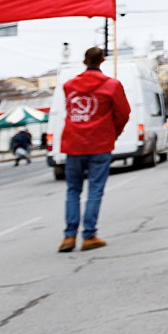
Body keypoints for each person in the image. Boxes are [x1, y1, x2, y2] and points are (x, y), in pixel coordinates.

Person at [58, 47, 130, 253]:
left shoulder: (69, 86)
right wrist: (113, 133)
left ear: (84, 62)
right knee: (95, 190)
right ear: (102, 60)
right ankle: (89, 235)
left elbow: (71, 110)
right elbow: (123, 113)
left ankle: (69, 236)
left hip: (73, 144)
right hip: (99, 144)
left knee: (73, 190)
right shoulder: (112, 86)